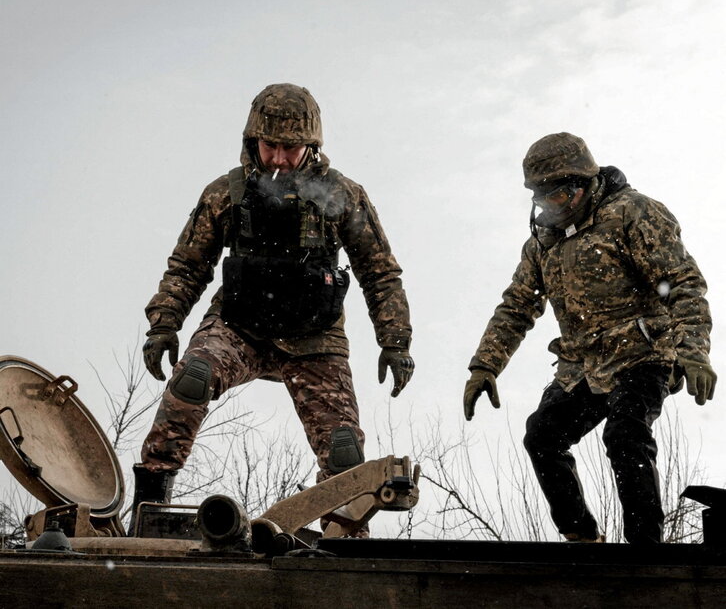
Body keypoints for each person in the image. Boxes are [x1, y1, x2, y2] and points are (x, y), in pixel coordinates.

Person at [129, 83, 414, 534]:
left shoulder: (343, 195)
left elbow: (379, 272)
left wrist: (395, 340)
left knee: (343, 451)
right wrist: (163, 325)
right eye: (271, 146)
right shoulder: (226, 192)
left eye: (291, 148)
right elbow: (187, 265)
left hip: (314, 336)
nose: (280, 158)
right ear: (252, 141)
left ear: (311, 146)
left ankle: (346, 540)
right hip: (239, 326)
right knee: (191, 379)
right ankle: (150, 504)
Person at [463, 132, 716, 544]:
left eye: (560, 198)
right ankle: (581, 536)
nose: (552, 207)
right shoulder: (543, 243)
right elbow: (516, 307)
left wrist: (694, 352)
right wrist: (484, 366)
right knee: (542, 435)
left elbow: (682, 285)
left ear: (583, 185)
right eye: (543, 200)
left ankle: (645, 546)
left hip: (643, 354)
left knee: (625, 434)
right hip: (585, 366)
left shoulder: (633, 214)